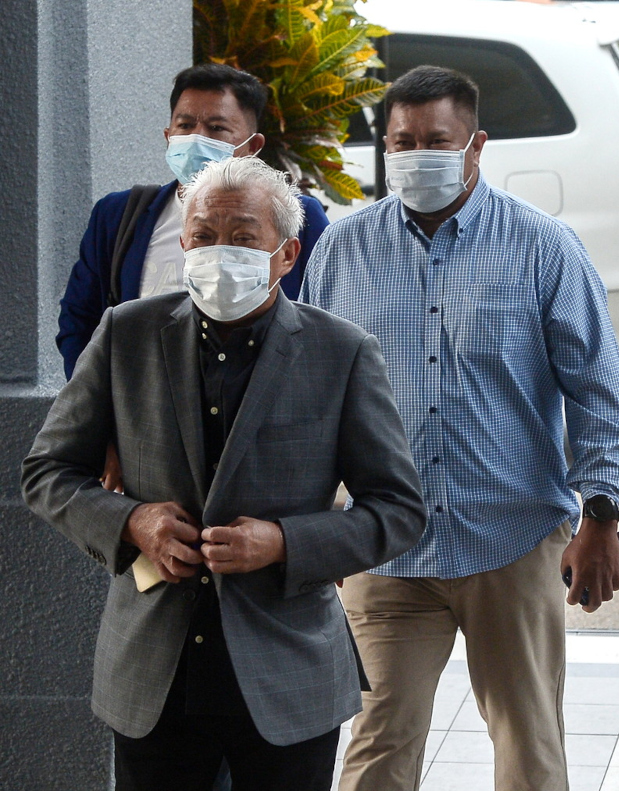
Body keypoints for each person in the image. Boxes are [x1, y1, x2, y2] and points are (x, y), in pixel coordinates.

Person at [21, 157, 426, 791]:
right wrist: (134, 521)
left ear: (286, 254)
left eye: (243, 237)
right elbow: (48, 471)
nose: (219, 252)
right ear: (183, 243)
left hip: (287, 675)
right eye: (204, 236)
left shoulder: (340, 352)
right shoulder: (126, 333)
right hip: (154, 670)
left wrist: (286, 542)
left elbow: (399, 510)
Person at [300, 65, 619, 791]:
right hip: (385, 547)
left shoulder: (543, 246)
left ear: (476, 146)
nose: (417, 153)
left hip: (509, 539)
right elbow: (310, 392)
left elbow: (598, 390)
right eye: (402, 141)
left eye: (437, 140)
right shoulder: (342, 248)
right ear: (383, 147)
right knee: (376, 744)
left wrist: (601, 513)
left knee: (529, 742)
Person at [56, 62, 329, 381]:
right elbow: (79, 319)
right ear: (168, 135)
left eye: (216, 128)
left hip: (262, 407)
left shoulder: (298, 217)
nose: (197, 138)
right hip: (147, 415)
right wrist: (101, 399)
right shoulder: (117, 216)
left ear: (252, 146)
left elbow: (324, 317)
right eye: (185, 125)